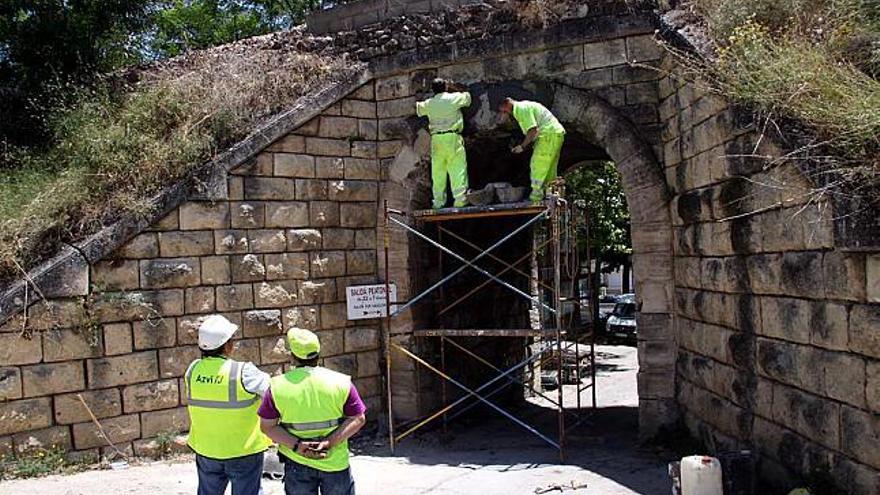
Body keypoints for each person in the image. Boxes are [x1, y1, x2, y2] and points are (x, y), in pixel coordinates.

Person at [259, 328, 367, 495]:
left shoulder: (277, 386)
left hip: (297, 462)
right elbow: (358, 419)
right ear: (318, 353)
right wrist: (329, 442)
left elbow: (267, 427)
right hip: (334, 462)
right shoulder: (341, 382)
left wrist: (297, 445)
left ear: (293, 357)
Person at [185, 314, 272, 495]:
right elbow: (273, 392)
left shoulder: (192, 370)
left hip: (206, 450)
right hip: (243, 450)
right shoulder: (243, 372)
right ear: (227, 345)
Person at [416, 78, 472, 209]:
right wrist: (455, 87)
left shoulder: (429, 103)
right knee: (457, 168)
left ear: (433, 90)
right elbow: (468, 98)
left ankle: (438, 202)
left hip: (436, 139)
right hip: (452, 136)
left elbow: (418, 108)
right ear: (445, 87)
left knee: (438, 172)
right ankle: (460, 200)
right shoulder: (453, 98)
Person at [498, 97, 566, 202]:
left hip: (548, 135)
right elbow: (533, 132)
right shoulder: (524, 106)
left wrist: (522, 146)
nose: (503, 113)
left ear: (506, 104)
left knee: (538, 164)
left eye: (502, 110)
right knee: (549, 169)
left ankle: (536, 197)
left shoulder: (520, 110)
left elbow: (532, 130)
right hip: (554, 134)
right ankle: (550, 195)